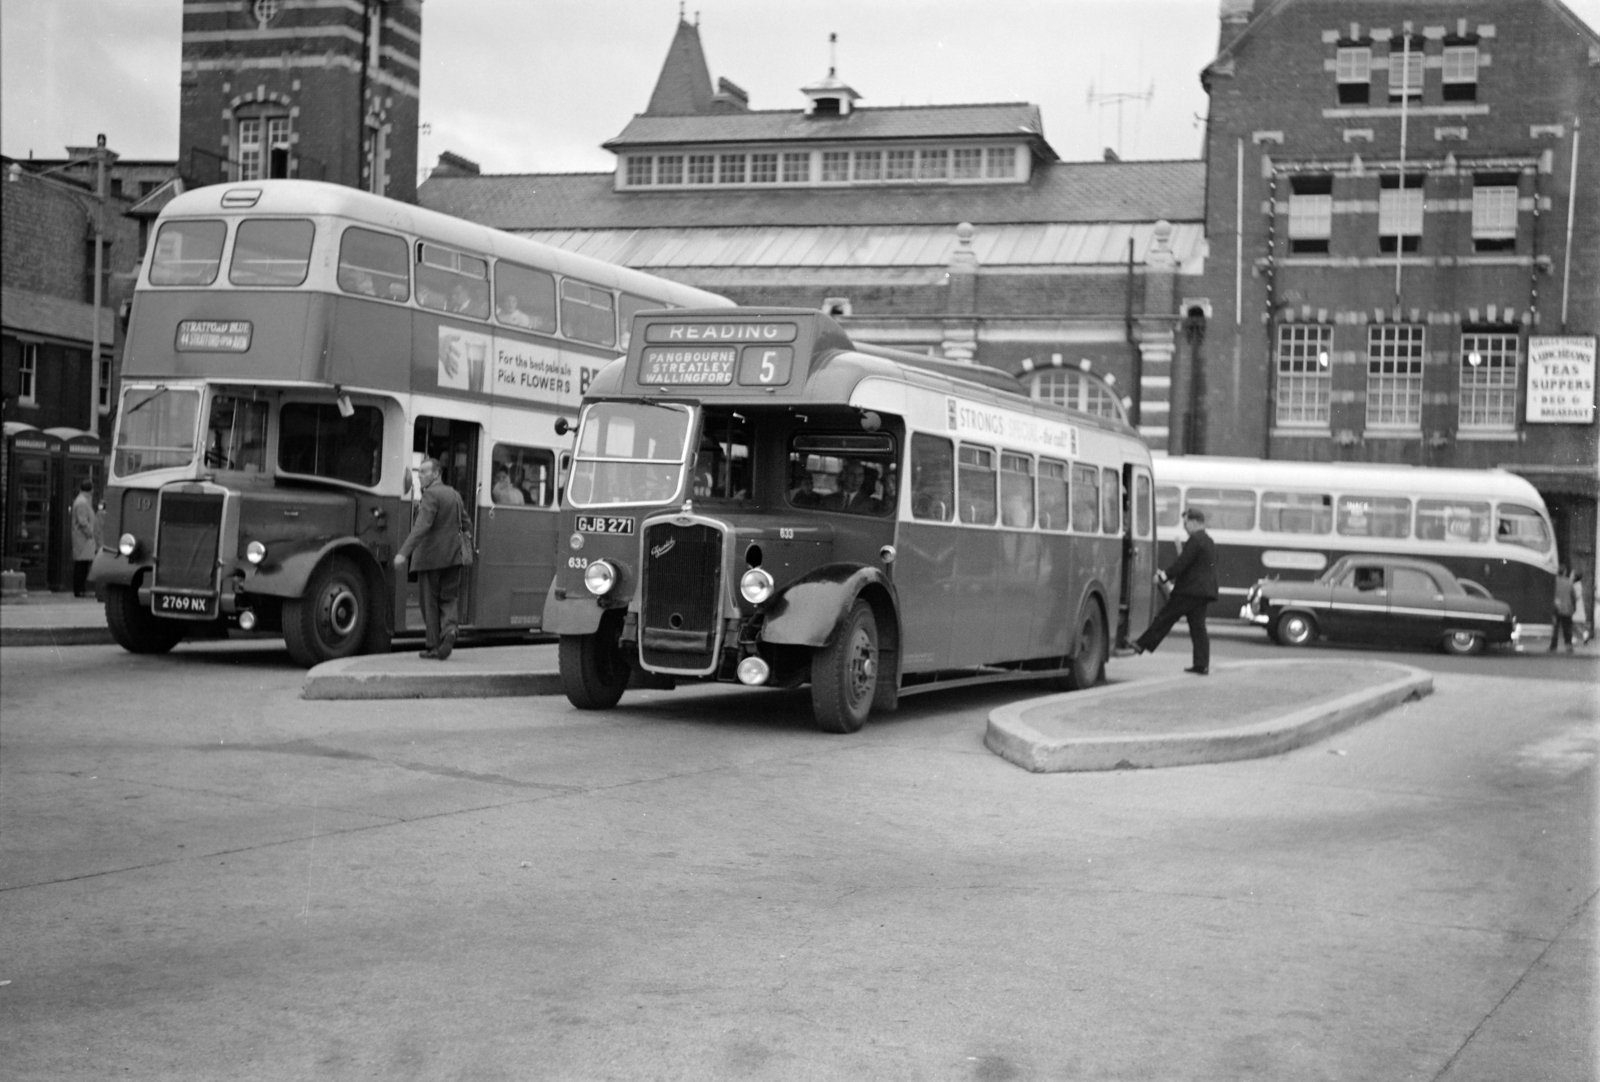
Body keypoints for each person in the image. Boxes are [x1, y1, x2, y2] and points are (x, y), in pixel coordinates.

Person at [394, 458, 468, 660]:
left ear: (436, 474)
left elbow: (421, 527)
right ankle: (451, 630)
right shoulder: (454, 495)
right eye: (419, 473)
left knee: (429, 603)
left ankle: (434, 645)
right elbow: (467, 523)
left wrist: (403, 553)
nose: (419, 476)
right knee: (449, 598)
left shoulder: (430, 495)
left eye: (424, 472)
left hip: (430, 559)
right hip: (454, 558)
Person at [1131, 507, 1219, 674]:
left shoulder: (1195, 540)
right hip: (1203, 593)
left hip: (1188, 591)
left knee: (1165, 618)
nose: (1184, 527)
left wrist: (1164, 576)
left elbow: (1182, 563)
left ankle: (1141, 644)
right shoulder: (1209, 541)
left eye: (1185, 523)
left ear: (1193, 522)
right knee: (1198, 628)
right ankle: (1201, 664)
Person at [70, 479, 97, 597]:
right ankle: (79, 590)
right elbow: (83, 521)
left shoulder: (83, 500)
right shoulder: (82, 502)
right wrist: (91, 533)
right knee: (81, 565)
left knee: (83, 565)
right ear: (90, 490)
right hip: (83, 538)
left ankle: (80, 589)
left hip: (83, 538)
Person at [1549, 565, 1577, 654]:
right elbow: (1574, 597)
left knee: (1555, 628)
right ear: (1564, 572)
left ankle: (1553, 646)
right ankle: (1568, 646)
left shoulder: (1554, 581)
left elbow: (1551, 594)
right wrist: (1573, 608)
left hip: (1556, 609)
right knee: (1567, 629)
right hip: (1567, 609)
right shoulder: (1569, 582)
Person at [1573, 570, 1590, 645]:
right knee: (1577, 624)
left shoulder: (1576, 585)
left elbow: (1576, 596)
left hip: (1576, 606)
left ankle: (1579, 637)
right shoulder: (1578, 584)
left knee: (1575, 623)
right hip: (1578, 605)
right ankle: (1582, 636)